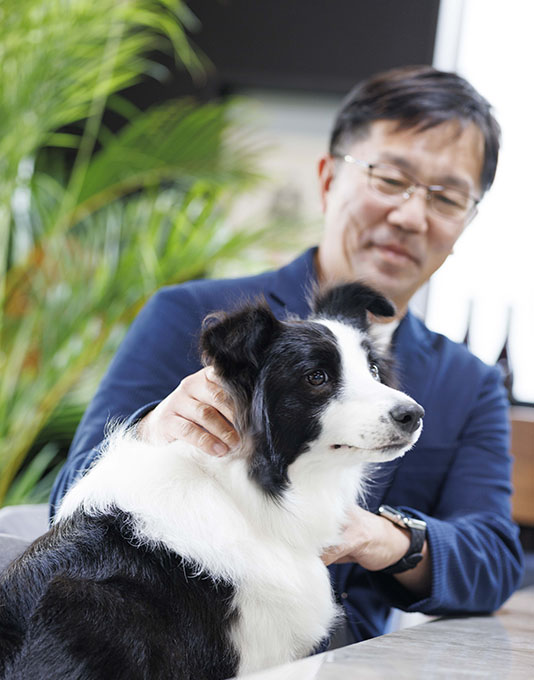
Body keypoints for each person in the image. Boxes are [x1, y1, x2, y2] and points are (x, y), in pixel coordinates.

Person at [50, 65, 524, 643]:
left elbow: (496, 559)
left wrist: (382, 538)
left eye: (446, 197)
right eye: (389, 178)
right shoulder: (189, 314)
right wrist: (152, 430)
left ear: (467, 223)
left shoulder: (466, 383)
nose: (409, 216)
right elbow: (68, 497)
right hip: (178, 653)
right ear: (328, 178)